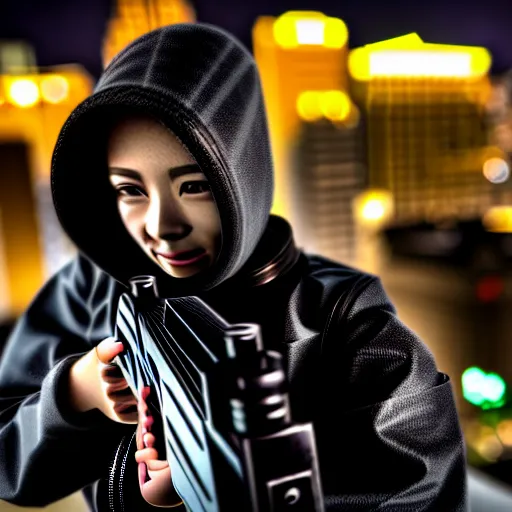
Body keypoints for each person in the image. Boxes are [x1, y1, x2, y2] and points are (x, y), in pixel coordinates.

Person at [0, 22, 467, 511]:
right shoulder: (93, 287)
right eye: (129, 190)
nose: (162, 226)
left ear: (243, 173)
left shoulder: (344, 321)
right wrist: (77, 392)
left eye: (195, 186)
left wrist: (213, 490)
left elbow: (420, 494)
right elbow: (8, 457)